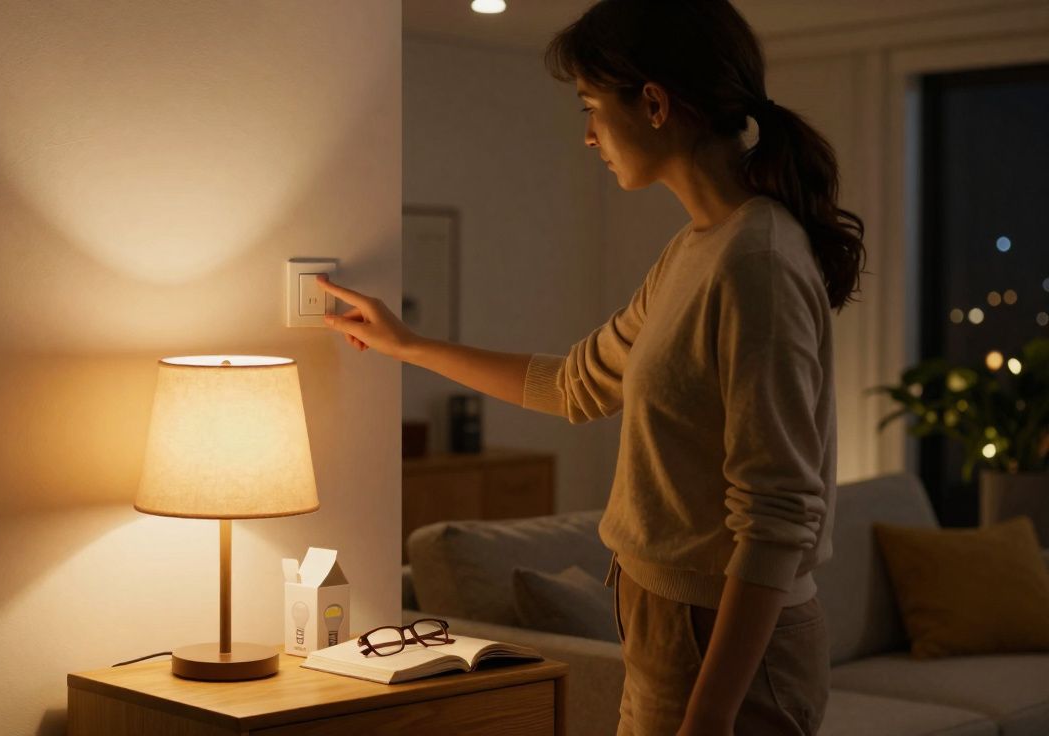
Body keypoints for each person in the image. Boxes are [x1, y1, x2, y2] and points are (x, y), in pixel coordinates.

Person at [318, 1, 865, 734]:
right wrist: (408, 345)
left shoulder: (755, 261)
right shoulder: (697, 249)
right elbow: (575, 384)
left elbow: (779, 519)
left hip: (727, 648)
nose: (586, 136)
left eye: (591, 108)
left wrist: (708, 715)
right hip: (664, 628)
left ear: (654, 103)